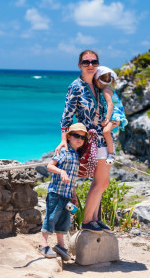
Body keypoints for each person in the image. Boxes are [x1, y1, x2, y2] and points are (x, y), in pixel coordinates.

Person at [57, 50, 111, 233]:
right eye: (86, 62)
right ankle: (88, 221)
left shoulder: (99, 85)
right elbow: (67, 115)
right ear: (79, 65)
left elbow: (111, 107)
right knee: (99, 182)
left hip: (103, 138)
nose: (90, 66)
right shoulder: (75, 87)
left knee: (103, 182)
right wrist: (64, 140)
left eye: (94, 62)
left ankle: (95, 218)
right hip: (87, 140)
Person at [39, 123, 86, 260]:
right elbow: (49, 166)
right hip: (56, 192)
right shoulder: (64, 151)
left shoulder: (76, 155)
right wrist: (61, 171)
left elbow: (72, 180)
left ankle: (60, 245)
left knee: (64, 221)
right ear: (69, 137)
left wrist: (74, 195)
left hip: (66, 195)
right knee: (51, 217)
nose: (80, 139)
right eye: (76, 136)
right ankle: (43, 245)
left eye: (82, 137)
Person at [95, 66, 127, 161]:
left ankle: (111, 154)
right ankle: (110, 151)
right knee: (107, 132)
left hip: (114, 114)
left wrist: (107, 119)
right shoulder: (106, 89)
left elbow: (110, 105)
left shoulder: (105, 90)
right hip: (114, 114)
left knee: (106, 131)